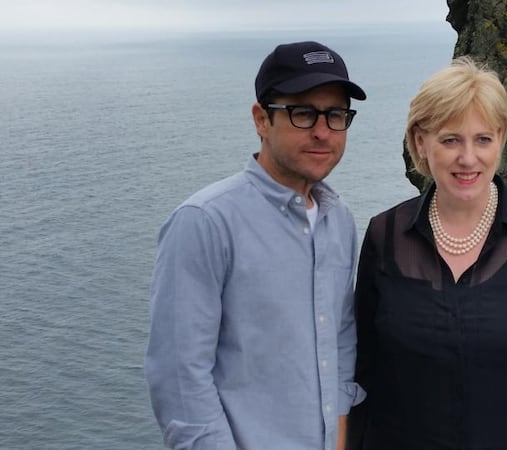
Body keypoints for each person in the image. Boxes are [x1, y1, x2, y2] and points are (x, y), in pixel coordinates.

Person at [347, 56, 507, 450]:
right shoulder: (386, 236)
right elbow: (364, 371)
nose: (468, 158)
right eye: (450, 139)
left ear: (500, 139)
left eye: (482, 139)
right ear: (420, 141)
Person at [145, 41, 366, 450]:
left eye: (336, 115)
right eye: (303, 113)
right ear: (261, 119)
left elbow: (340, 339)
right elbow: (179, 379)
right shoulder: (205, 222)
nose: (322, 131)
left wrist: (338, 439)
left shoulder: (340, 220)